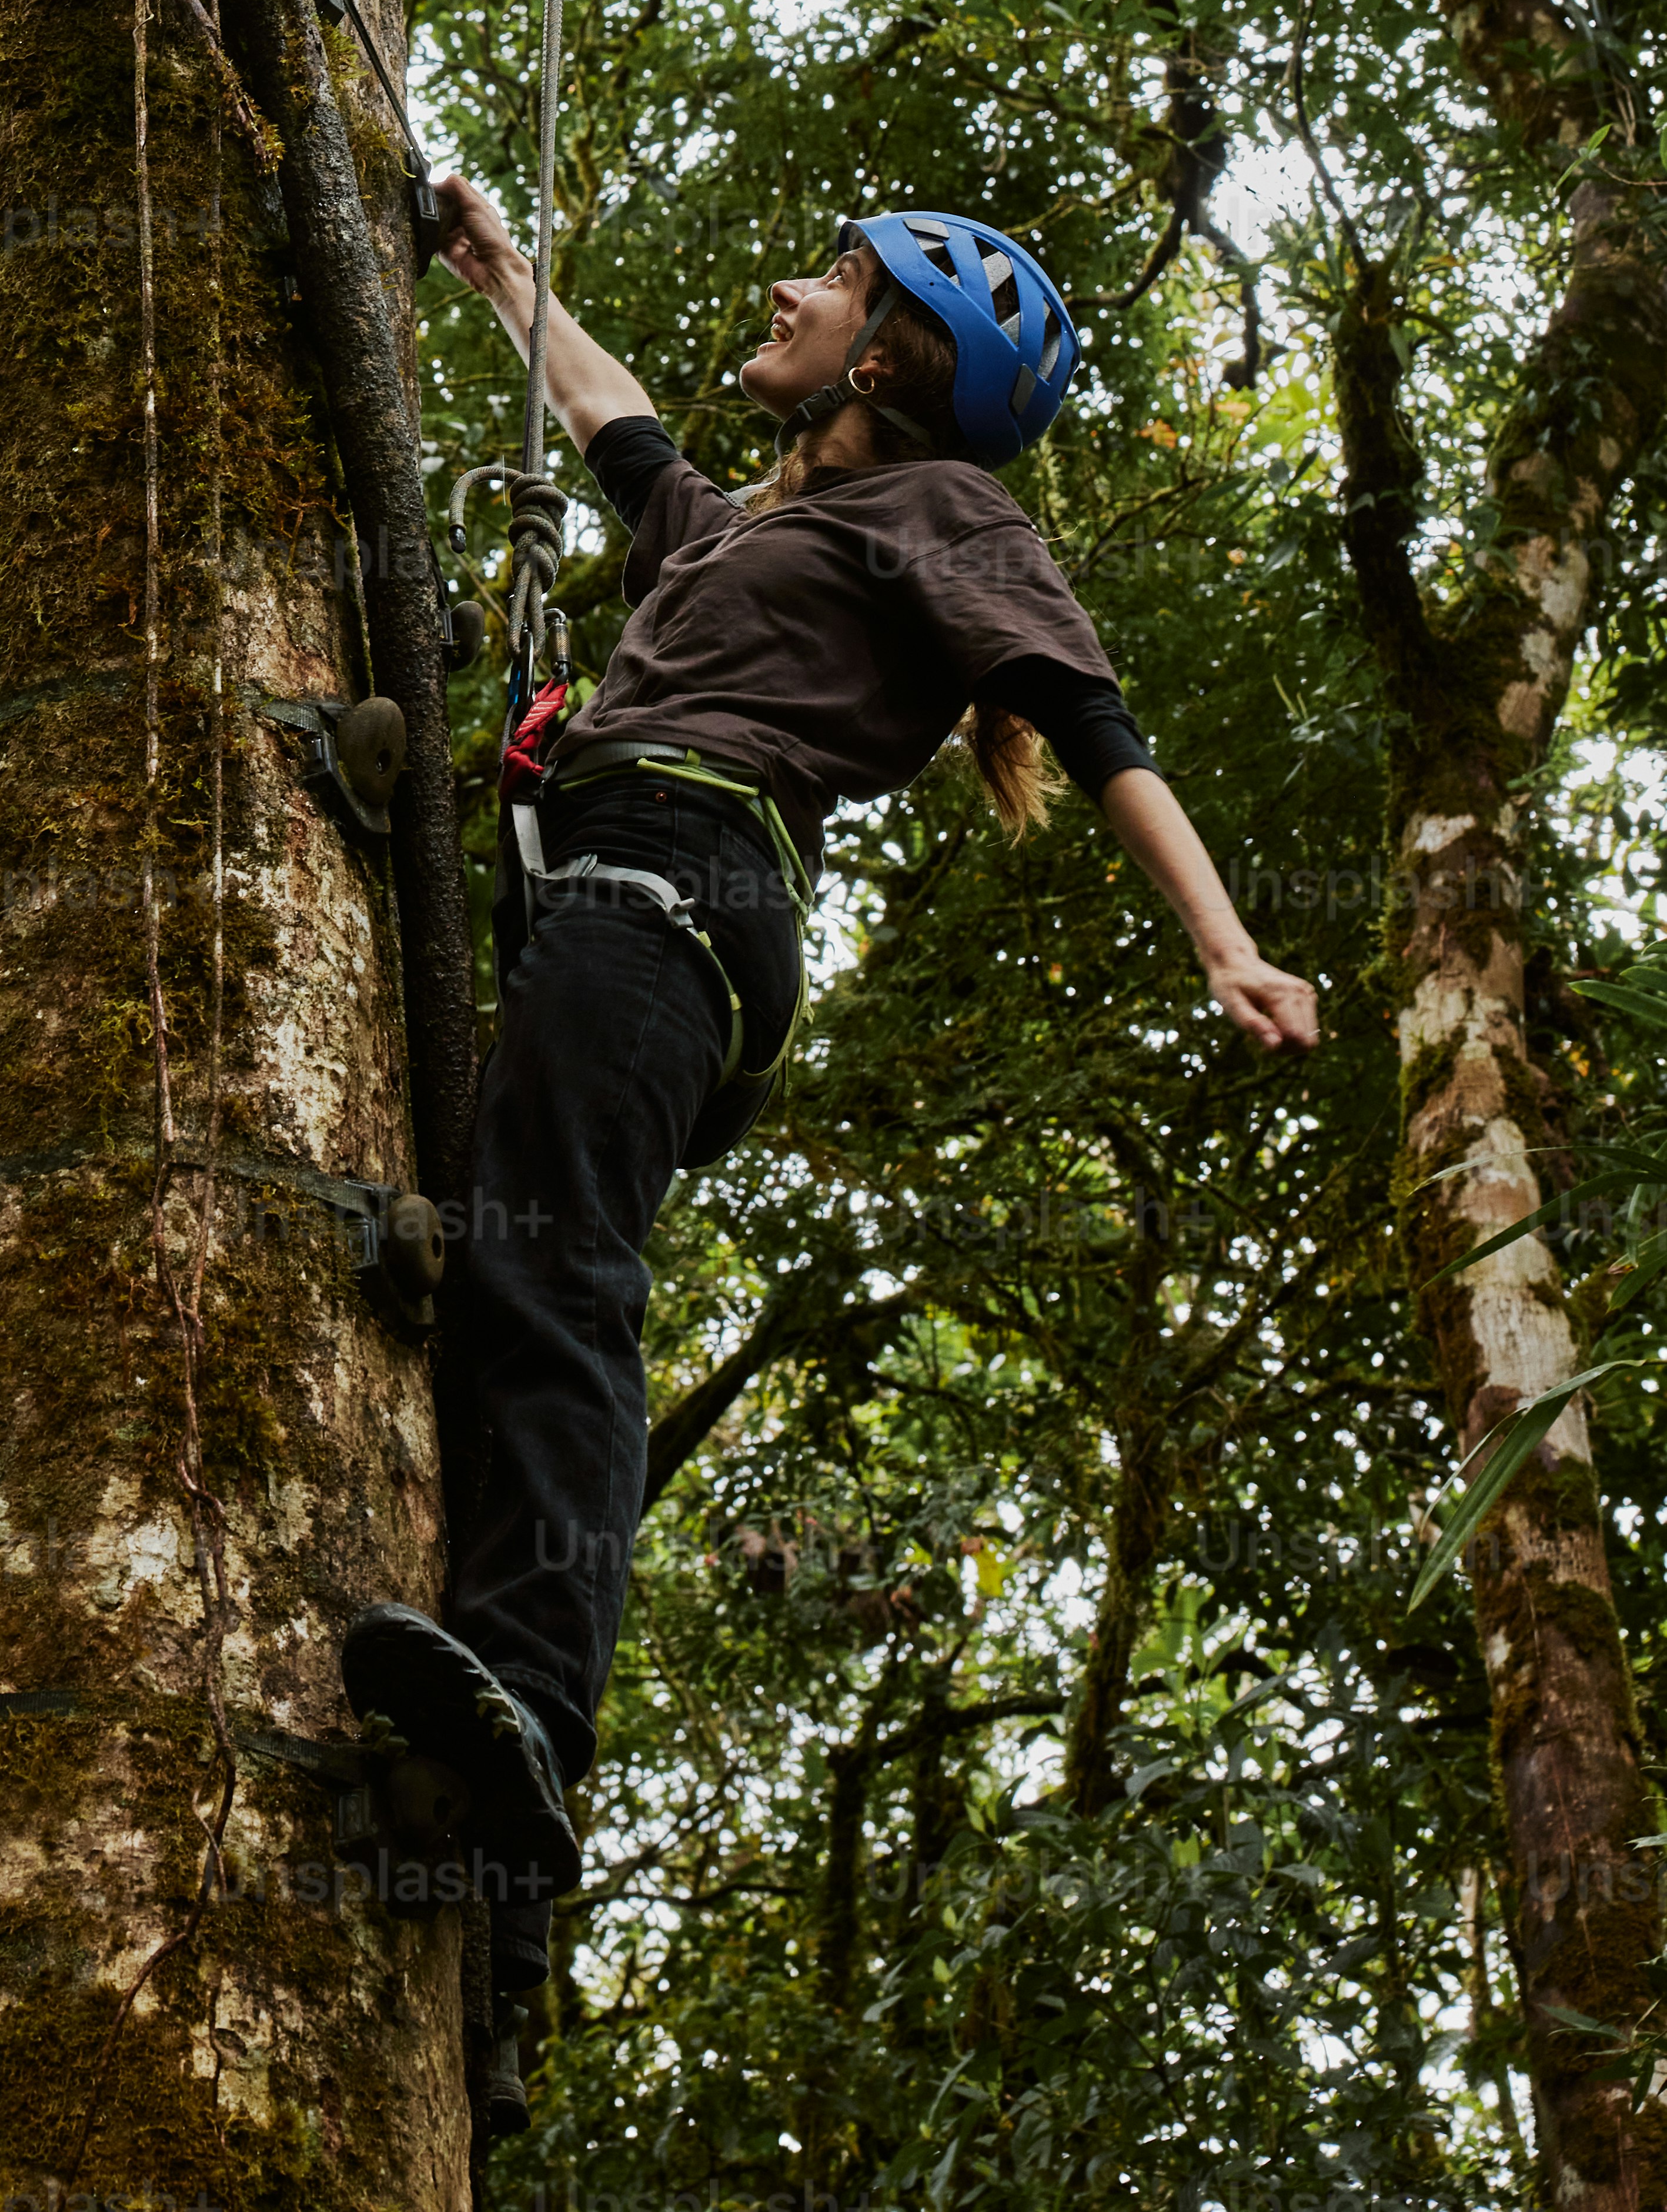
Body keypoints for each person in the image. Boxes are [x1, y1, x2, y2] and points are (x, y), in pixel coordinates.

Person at [340, 182, 1319, 2063]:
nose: (786, 287)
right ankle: (506, 1958)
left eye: (835, 280)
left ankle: (531, 1713)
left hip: (680, 891)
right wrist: (496, 274)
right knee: (498, 1278)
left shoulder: (941, 510)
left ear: (888, 356)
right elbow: (615, 431)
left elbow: (1093, 723)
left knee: (553, 1284)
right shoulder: (743, 538)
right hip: (623, 900)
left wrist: (1228, 945)